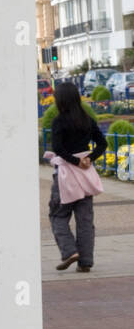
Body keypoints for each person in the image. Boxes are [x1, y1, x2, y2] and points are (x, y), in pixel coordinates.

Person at [48, 81, 107, 272]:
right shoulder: (87, 120)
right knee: (85, 220)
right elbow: (102, 143)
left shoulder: (58, 121)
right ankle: (86, 261)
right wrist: (88, 159)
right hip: (85, 176)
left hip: (66, 174)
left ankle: (70, 251)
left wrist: (73, 161)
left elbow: (58, 148)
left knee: (58, 215)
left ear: (60, 100)